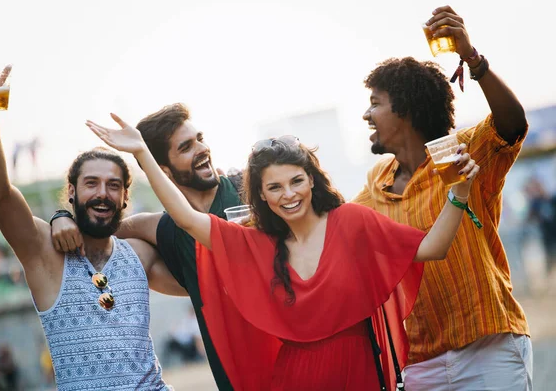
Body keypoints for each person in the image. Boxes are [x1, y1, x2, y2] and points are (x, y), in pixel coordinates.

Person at [85, 111, 479, 390]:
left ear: (312, 179)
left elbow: (433, 247)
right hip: (292, 379)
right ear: (262, 197)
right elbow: (186, 218)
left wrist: (459, 192)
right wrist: (141, 155)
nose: (288, 194)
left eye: (295, 181)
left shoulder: (352, 222)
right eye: (274, 188)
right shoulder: (259, 244)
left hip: (358, 373)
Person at [0, 62, 185, 391]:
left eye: (114, 185)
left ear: (125, 197)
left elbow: (200, 281)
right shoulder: (44, 252)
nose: (102, 192)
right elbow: (0, 194)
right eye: (91, 183)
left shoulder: (140, 254)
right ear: (71, 192)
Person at [352, 5, 532, 390]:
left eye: (375, 103)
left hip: (491, 347)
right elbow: (329, 225)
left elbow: (512, 124)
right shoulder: (375, 185)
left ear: (406, 112)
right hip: (420, 365)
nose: (367, 115)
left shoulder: (460, 153)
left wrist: (472, 60)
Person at [52, 103, 242, 390]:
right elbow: (100, 222)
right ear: (162, 169)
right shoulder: (161, 228)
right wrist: (62, 216)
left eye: (200, 138)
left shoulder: (249, 188)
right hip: (237, 375)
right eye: (187, 146)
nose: (202, 148)